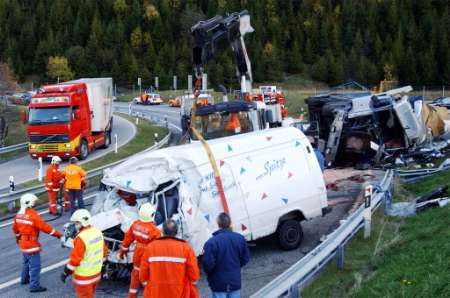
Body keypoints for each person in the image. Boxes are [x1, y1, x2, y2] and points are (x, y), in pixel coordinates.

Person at [12, 193, 62, 293]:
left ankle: (24, 279)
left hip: (23, 243)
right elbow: (45, 228)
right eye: (33, 202)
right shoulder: (33, 215)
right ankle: (34, 286)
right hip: (32, 245)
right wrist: (58, 234)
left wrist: (18, 238)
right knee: (35, 266)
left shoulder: (19, 215)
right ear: (28, 203)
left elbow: (15, 229)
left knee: (26, 262)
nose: (34, 203)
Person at [140, 219, 200, 298]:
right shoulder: (186, 248)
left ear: (162, 231)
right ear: (176, 232)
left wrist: (147, 284)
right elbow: (194, 274)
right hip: (178, 292)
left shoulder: (150, 247)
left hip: (156, 292)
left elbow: (143, 273)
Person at [61, 209, 107, 298]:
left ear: (81, 223)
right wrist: (103, 269)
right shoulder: (98, 232)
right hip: (96, 274)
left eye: (76, 223)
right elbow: (104, 252)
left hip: (84, 277)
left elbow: (75, 260)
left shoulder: (81, 238)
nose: (75, 225)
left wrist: (66, 272)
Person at [202, 212, 250, 298]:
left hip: (218, 283)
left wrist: (211, 274)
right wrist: (235, 266)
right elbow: (245, 258)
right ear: (230, 223)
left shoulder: (211, 243)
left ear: (218, 224)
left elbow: (207, 264)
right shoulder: (240, 239)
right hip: (235, 281)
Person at [118, 203, 161, 298]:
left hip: (137, 252)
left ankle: (132, 295)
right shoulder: (155, 230)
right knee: (149, 276)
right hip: (149, 254)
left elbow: (127, 240)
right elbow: (159, 247)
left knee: (136, 272)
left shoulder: (135, 225)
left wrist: (122, 252)